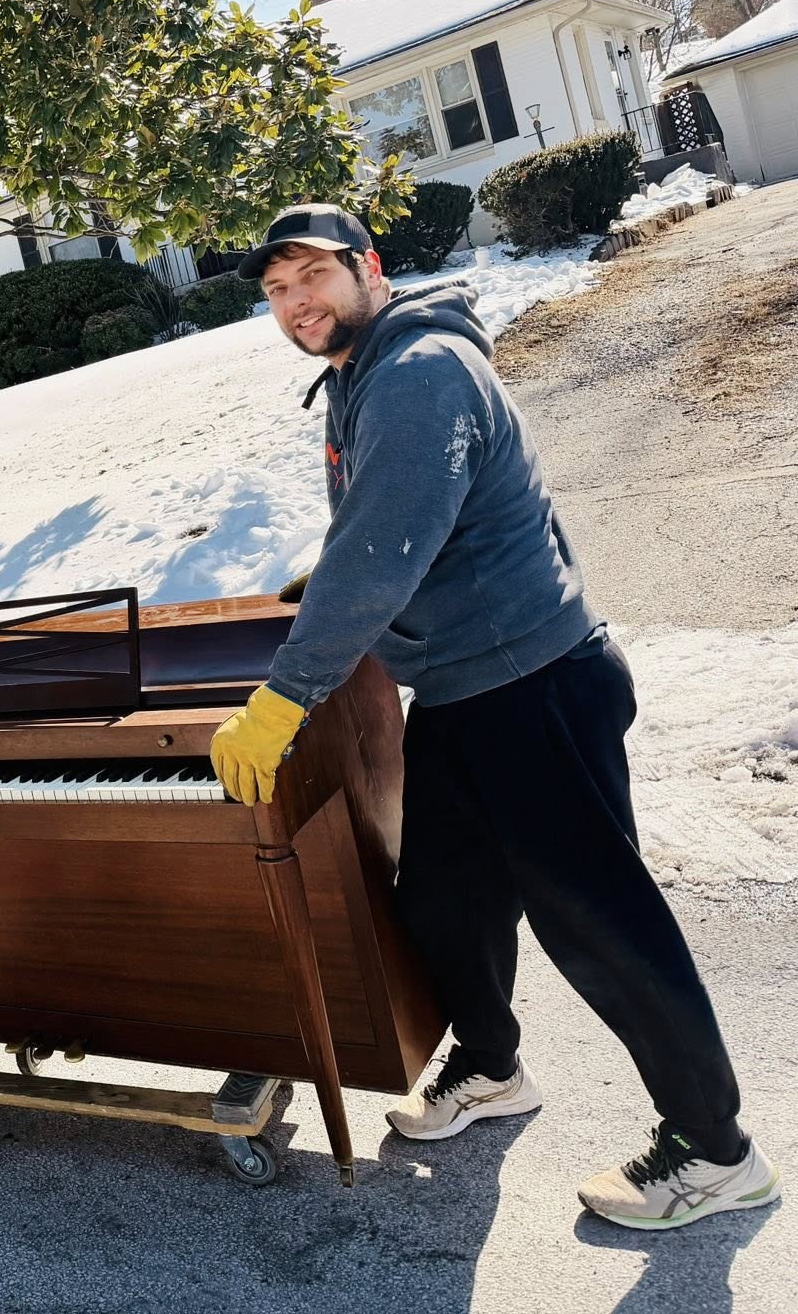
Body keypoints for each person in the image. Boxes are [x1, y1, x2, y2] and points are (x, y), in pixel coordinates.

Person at [209, 205, 779, 1230]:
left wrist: (285, 696)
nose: (296, 303)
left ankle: (714, 1148)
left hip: (533, 685)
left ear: (367, 268)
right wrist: (323, 582)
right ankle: (491, 1065)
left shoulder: (418, 372)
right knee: (443, 897)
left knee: (600, 924)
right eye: (277, 290)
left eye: (312, 276)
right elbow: (383, 525)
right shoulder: (362, 373)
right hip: (465, 693)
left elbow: (383, 551)